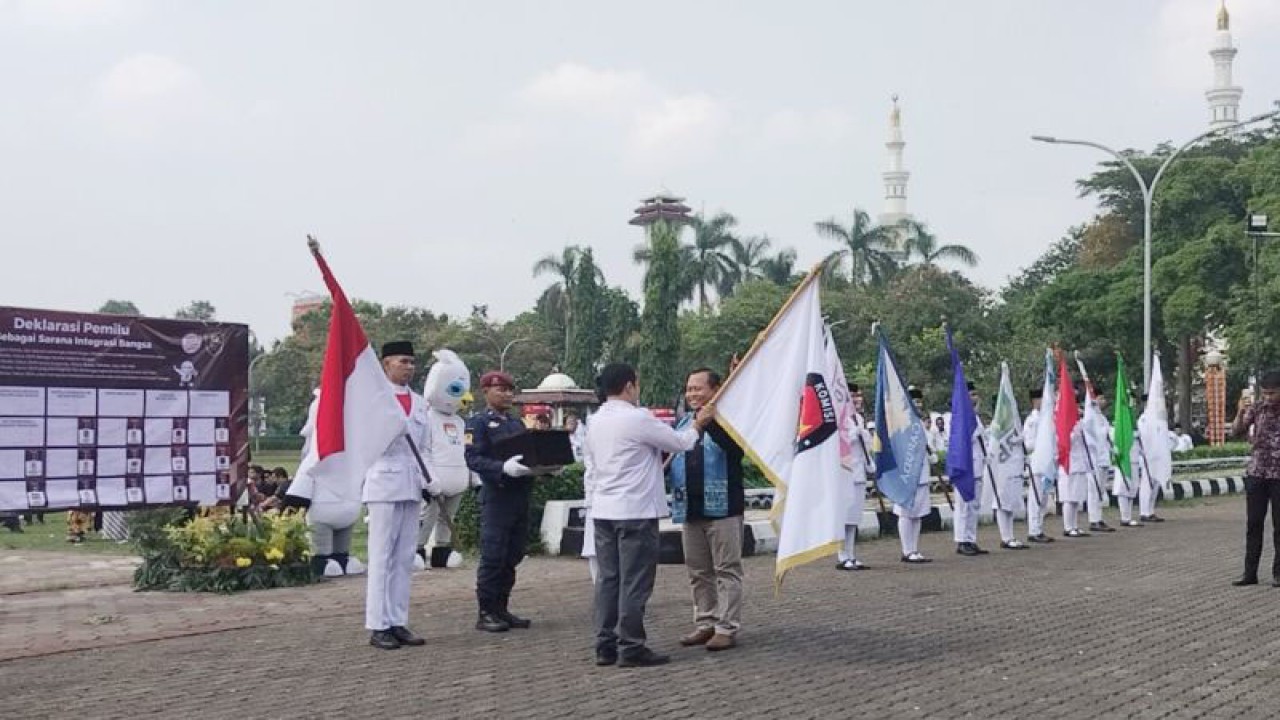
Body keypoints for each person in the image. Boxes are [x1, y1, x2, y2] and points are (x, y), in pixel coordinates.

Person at [587, 363, 712, 668]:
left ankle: (605, 645)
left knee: (608, 581)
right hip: (635, 511)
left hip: (603, 510)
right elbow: (679, 443)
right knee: (635, 582)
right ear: (629, 386)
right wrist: (699, 423)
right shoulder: (637, 418)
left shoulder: (595, 420)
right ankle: (631, 645)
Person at [672, 368, 745, 652]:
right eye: (689, 389)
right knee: (698, 571)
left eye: (698, 388)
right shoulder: (684, 425)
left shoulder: (731, 422)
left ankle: (727, 627)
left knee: (727, 570)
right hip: (690, 509)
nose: (692, 394)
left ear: (715, 390)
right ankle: (705, 622)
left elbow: (733, 449)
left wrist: (709, 421)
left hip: (724, 509)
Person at [466, 370, 544, 633]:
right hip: (497, 495)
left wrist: (544, 467)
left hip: (519, 495)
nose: (507, 394)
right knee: (493, 555)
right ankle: (486, 610)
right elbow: (473, 459)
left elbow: (528, 455)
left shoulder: (516, 424)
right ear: (486, 391)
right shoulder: (477, 423)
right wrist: (501, 468)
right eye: (501, 389)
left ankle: (501, 607)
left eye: (510, 390)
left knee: (513, 554)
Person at [363, 341, 428, 651]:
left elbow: (424, 445)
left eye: (412, 362)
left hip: (412, 481)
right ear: (386, 364)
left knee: (404, 558)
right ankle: (378, 624)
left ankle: (397, 620)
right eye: (403, 361)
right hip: (384, 480)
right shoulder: (376, 400)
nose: (409, 367)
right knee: (381, 556)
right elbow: (367, 442)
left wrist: (431, 475)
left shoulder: (419, 402)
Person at [417, 349, 475, 570]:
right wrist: (429, 479)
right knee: (427, 517)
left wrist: (473, 476)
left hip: (458, 478)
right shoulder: (427, 419)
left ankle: (442, 551)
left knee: (447, 519)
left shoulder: (460, 423)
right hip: (435, 480)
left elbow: (466, 450)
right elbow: (424, 451)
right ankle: (418, 549)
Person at [1232, 373, 1280, 587]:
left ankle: (1278, 573)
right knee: (1253, 524)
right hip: (1257, 472)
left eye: (1273, 393)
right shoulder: (1258, 408)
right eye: (1265, 393)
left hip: (1278, 475)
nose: (1268, 398)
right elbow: (1237, 431)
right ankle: (1249, 573)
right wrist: (1241, 411)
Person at [838, 382, 874, 570]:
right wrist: (853, 433)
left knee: (853, 519)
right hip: (846, 473)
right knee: (844, 518)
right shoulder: (840, 418)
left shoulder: (858, 419)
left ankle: (851, 554)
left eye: (859, 395)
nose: (858, 399)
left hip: (859, 472)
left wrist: (870, 464)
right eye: (854, 396)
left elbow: (865, 446)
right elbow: (839, 443)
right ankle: (842, 556)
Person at [896, 386, 934, 564]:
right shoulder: (901, 422)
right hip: (907, 473)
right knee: (905, 513)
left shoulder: (921, 422)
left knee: (918, 513)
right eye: (915, 401)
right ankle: (906, 550)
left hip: (922, 472)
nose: (918, 404)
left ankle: (915, 548)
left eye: (920, 401)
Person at [953, 382, 990, 556]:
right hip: (966, 468)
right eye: (971, 394)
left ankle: (971, 539)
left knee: (974, 506)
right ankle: (961, 540)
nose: (975, 398)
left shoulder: (975, 417)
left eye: (976, 394)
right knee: (963, 506)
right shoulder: (960, 417)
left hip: (977, 465)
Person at [1023, 388, 1056, 544]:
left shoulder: (1046, 419)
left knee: (1043, 498)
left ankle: (1039, 528)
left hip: (1047, 463)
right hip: (1036, 462)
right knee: (1035, 497)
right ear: (1034, 401)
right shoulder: (1032, 420)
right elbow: (1027, 443)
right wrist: (1042, 443)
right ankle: (1033, 530)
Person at [1136, 394, 1168, 523]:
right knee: (1146, 484)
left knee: (1155, 484)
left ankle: (1150, 510)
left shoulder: (1158, 419)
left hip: (1157, 454)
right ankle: (1144, 512)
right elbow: (1144, 438)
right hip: (1147, 455)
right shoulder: (1143, 419)